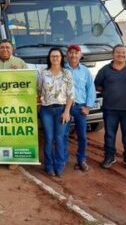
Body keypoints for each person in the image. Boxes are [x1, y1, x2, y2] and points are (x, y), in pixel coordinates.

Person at [94, 45, 126, 169]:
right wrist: (109, 92)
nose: (121, 55)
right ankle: (109, 157)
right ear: (113, 54)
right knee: (109, 135)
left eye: (124, 53)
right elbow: (97, 85)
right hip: (110, 109)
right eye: (118, 52)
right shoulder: (104, 70)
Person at [0, 39, 27, 170]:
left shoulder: (20, 63)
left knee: (13, 132)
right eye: (2, 47)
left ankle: (14, 159)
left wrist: (20, 74)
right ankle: (0, 157)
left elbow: (29, 80)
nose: (5, 50)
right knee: (0, 131)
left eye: (7, 47)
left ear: (12, 49)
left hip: (15, 104)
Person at [38, 48, 74, 177]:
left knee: (59, 138)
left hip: (61, 110)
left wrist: (67, 111)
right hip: (46, 110)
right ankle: (49, 166)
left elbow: (71, 95)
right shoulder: (43, 73)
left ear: (61, 58)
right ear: (49, 58)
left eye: (57, 56)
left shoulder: (67, 74)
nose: (55, 58)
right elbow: (38, 90)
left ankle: (59, 166)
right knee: (48, 138)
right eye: (52, 56)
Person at [65, 44, 96, 172]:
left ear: (80, 55)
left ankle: (81, 160)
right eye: (71, 52)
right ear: (67, 55)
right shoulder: (61, 69)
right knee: (63, 134)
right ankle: (63, 159)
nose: (73, 55)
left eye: (76, 53)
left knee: (82, 136)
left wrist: (88, 107)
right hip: (65, 108)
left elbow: (91, 89)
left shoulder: (85, 71)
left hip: (80, 107)